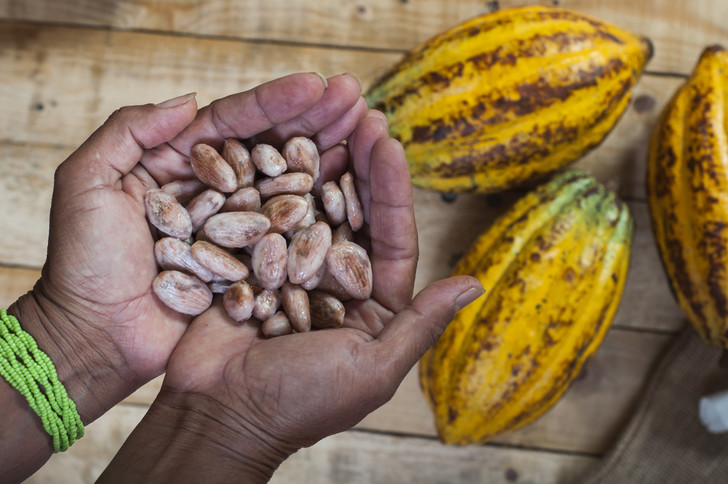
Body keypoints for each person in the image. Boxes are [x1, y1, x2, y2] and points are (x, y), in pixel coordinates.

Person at [0, 72, 484, 483]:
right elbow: (241, 232)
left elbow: (265, 238)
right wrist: (233, 430)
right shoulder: (227, 228)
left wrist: (69, 341)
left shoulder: (276, 238)